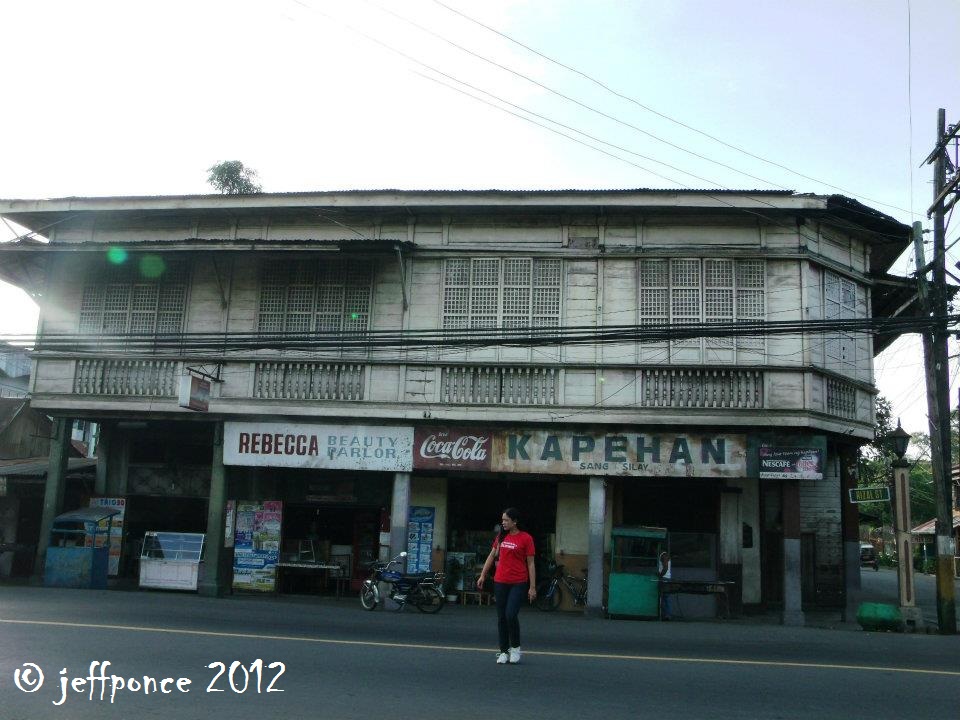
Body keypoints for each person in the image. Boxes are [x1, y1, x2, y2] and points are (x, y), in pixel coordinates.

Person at [477, 507, 536, 665]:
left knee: (511, 615)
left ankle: (515, 648)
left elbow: (530, 563)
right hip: (500, 581)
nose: (503, 523)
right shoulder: (501, 537)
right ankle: (503, 651)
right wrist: (483, 575)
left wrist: (532, 587)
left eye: (506, 520)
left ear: (514, 521)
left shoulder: (526, 538)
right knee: (501, 617)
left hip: (519, 582)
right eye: (502, 520)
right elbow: (492, 555)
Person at [658, 550, 672, 620]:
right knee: (665, 597)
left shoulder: (663, 555)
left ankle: (667, 614)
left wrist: (660, 575)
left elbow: (665, 568)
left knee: (664, 597)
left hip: (664, 578)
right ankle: (667, 614)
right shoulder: (665, 555)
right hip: (666, 578)